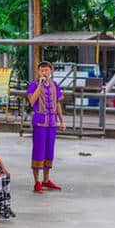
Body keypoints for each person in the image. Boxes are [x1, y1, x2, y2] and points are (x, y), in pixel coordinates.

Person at [27, 61, 65, 193]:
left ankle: (46, 180)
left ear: (51, 72)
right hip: (39, 122)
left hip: (52, 123)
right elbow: (31, 101)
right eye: (42, 70)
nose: (44, 72)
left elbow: (58, 103)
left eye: (47, 70)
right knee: (38, 151)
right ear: (38, 72)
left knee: (49, 151)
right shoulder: (33, 85)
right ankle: (37, 181)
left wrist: (61, 120)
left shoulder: (55, 85)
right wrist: (40, 86)